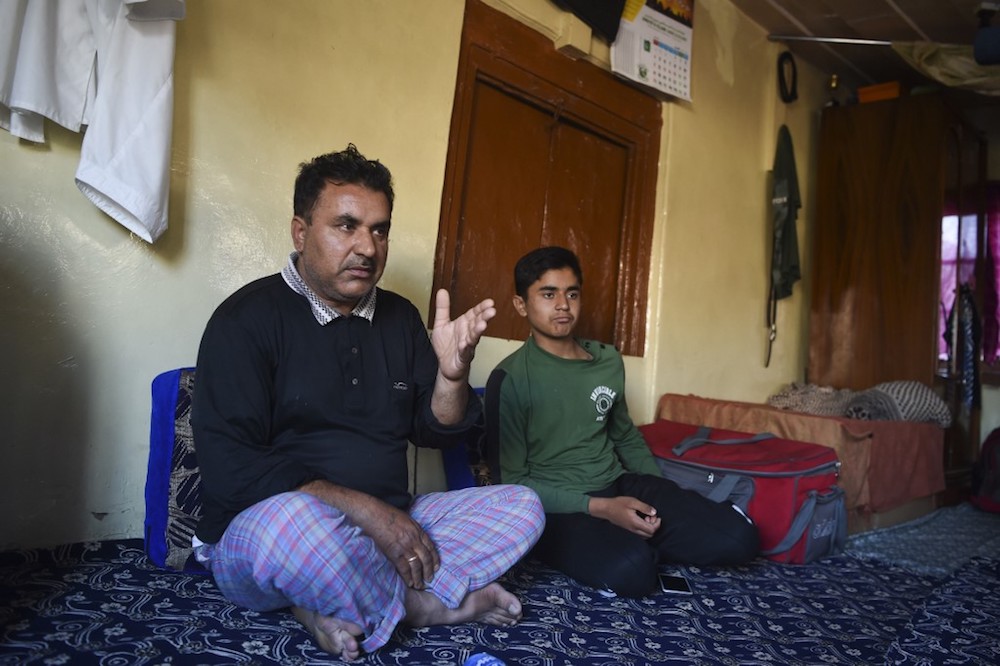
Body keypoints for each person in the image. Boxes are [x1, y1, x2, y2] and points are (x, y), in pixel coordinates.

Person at [190, 145, 545, 660]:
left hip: (393, 522)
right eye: (346, 226)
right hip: (267, 531)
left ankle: (321, 605)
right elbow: (230, 470)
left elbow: (437, 430)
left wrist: (452, 374)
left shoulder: (399, 319)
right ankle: (429, 607)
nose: (367, 247)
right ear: (300, 231)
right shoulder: (244, 320)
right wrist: (371, 516)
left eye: (379, 230)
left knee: (524, 506)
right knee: (294, 529)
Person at [485, 246, 758, 598]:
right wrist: (602, 509)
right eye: (548, 294)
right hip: (560, 506)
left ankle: (633, 539)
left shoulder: (607, 361)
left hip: (619, 484)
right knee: (633, 571)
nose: (563, 305)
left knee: (740, 539)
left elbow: (625, 436)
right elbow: (513, 484)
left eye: (572, 293)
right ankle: (612, 547)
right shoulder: (509, 378)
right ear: (521, 304)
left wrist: (661, 500)